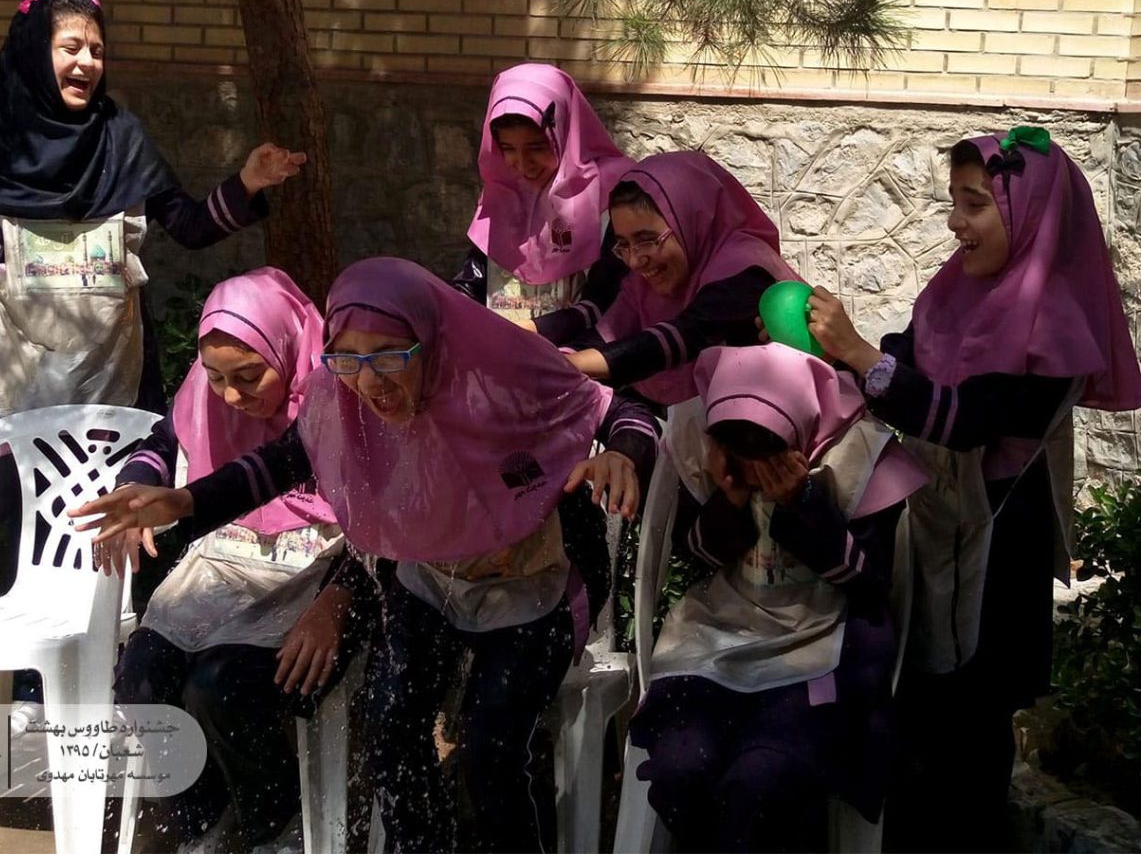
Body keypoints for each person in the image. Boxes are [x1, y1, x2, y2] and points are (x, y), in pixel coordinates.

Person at [76, 257, 661, 853]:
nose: (370, 381)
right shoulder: (343, 396)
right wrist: (183, 500)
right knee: (391, 726)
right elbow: (277, 463)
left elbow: (622, 411)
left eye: (389, 356)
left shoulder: (504, 370)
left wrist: (623, 454)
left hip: (532, 584)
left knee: (491, 748)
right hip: (430, 581)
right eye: (348, 359)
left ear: (428, 339)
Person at [0, 0, 304, 590]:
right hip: (14, 376)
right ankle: (34, 641)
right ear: (34, 51)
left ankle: (117, 638)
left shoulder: (121, 139)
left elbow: (188, 225)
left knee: (123, 519)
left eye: (97, 50)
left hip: (118, 371)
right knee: (28, 528)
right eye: (70, 47)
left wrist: (248, 182)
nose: (86, 63)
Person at [798, 128, 1141, 851]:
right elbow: (903, 358)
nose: (956, 222)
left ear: (1031, 214)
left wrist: (858, 353)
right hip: (931, 535)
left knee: (970, 732)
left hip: (998, 553)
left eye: (975, 203)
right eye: (953, 202)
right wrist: (830, 356)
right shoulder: (955, 291)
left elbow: (968, 421)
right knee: (918, 720)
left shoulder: (1056, 326)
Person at [94, 268, 359, 850]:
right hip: (228, 555)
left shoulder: (337, 399)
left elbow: (377, 523)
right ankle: (205, 817)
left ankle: (275, 819)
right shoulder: (205, 391)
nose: (232, 397)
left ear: (285, 346)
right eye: (216, 377)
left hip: (318, 565)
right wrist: (137, 489)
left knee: (221, 686)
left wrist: (339, 601)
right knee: (141, 680)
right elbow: (164, 442)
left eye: (248, 375)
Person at [628, 343, 926, 851]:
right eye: (739, 452)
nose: (755, 468)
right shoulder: (715, 460)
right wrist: (729, 503)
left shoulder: (854, 459)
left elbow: (871, 581)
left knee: (762, 781)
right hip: (722, 639)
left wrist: (803, 505)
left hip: (818, 648)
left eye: (765, 451)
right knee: (681, 769)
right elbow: (695, 554)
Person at [564, 151, 800, 406]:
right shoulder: (643, 286)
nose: (634, 261)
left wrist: (566, 365)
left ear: (691, 220)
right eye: (624, 245)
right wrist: (554, 359)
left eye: (647, 240)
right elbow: (609, 332)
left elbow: (686, 334)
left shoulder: (746, 269)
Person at [450, 62, 633, 339]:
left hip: (577, 356)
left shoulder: (610, 194)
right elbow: (473, 279)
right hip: (501, 351)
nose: (523, 164)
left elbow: (609, 299)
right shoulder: (502, 193)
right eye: (508, 149)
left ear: (564, 133)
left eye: (537, 147)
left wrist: (529, 334)